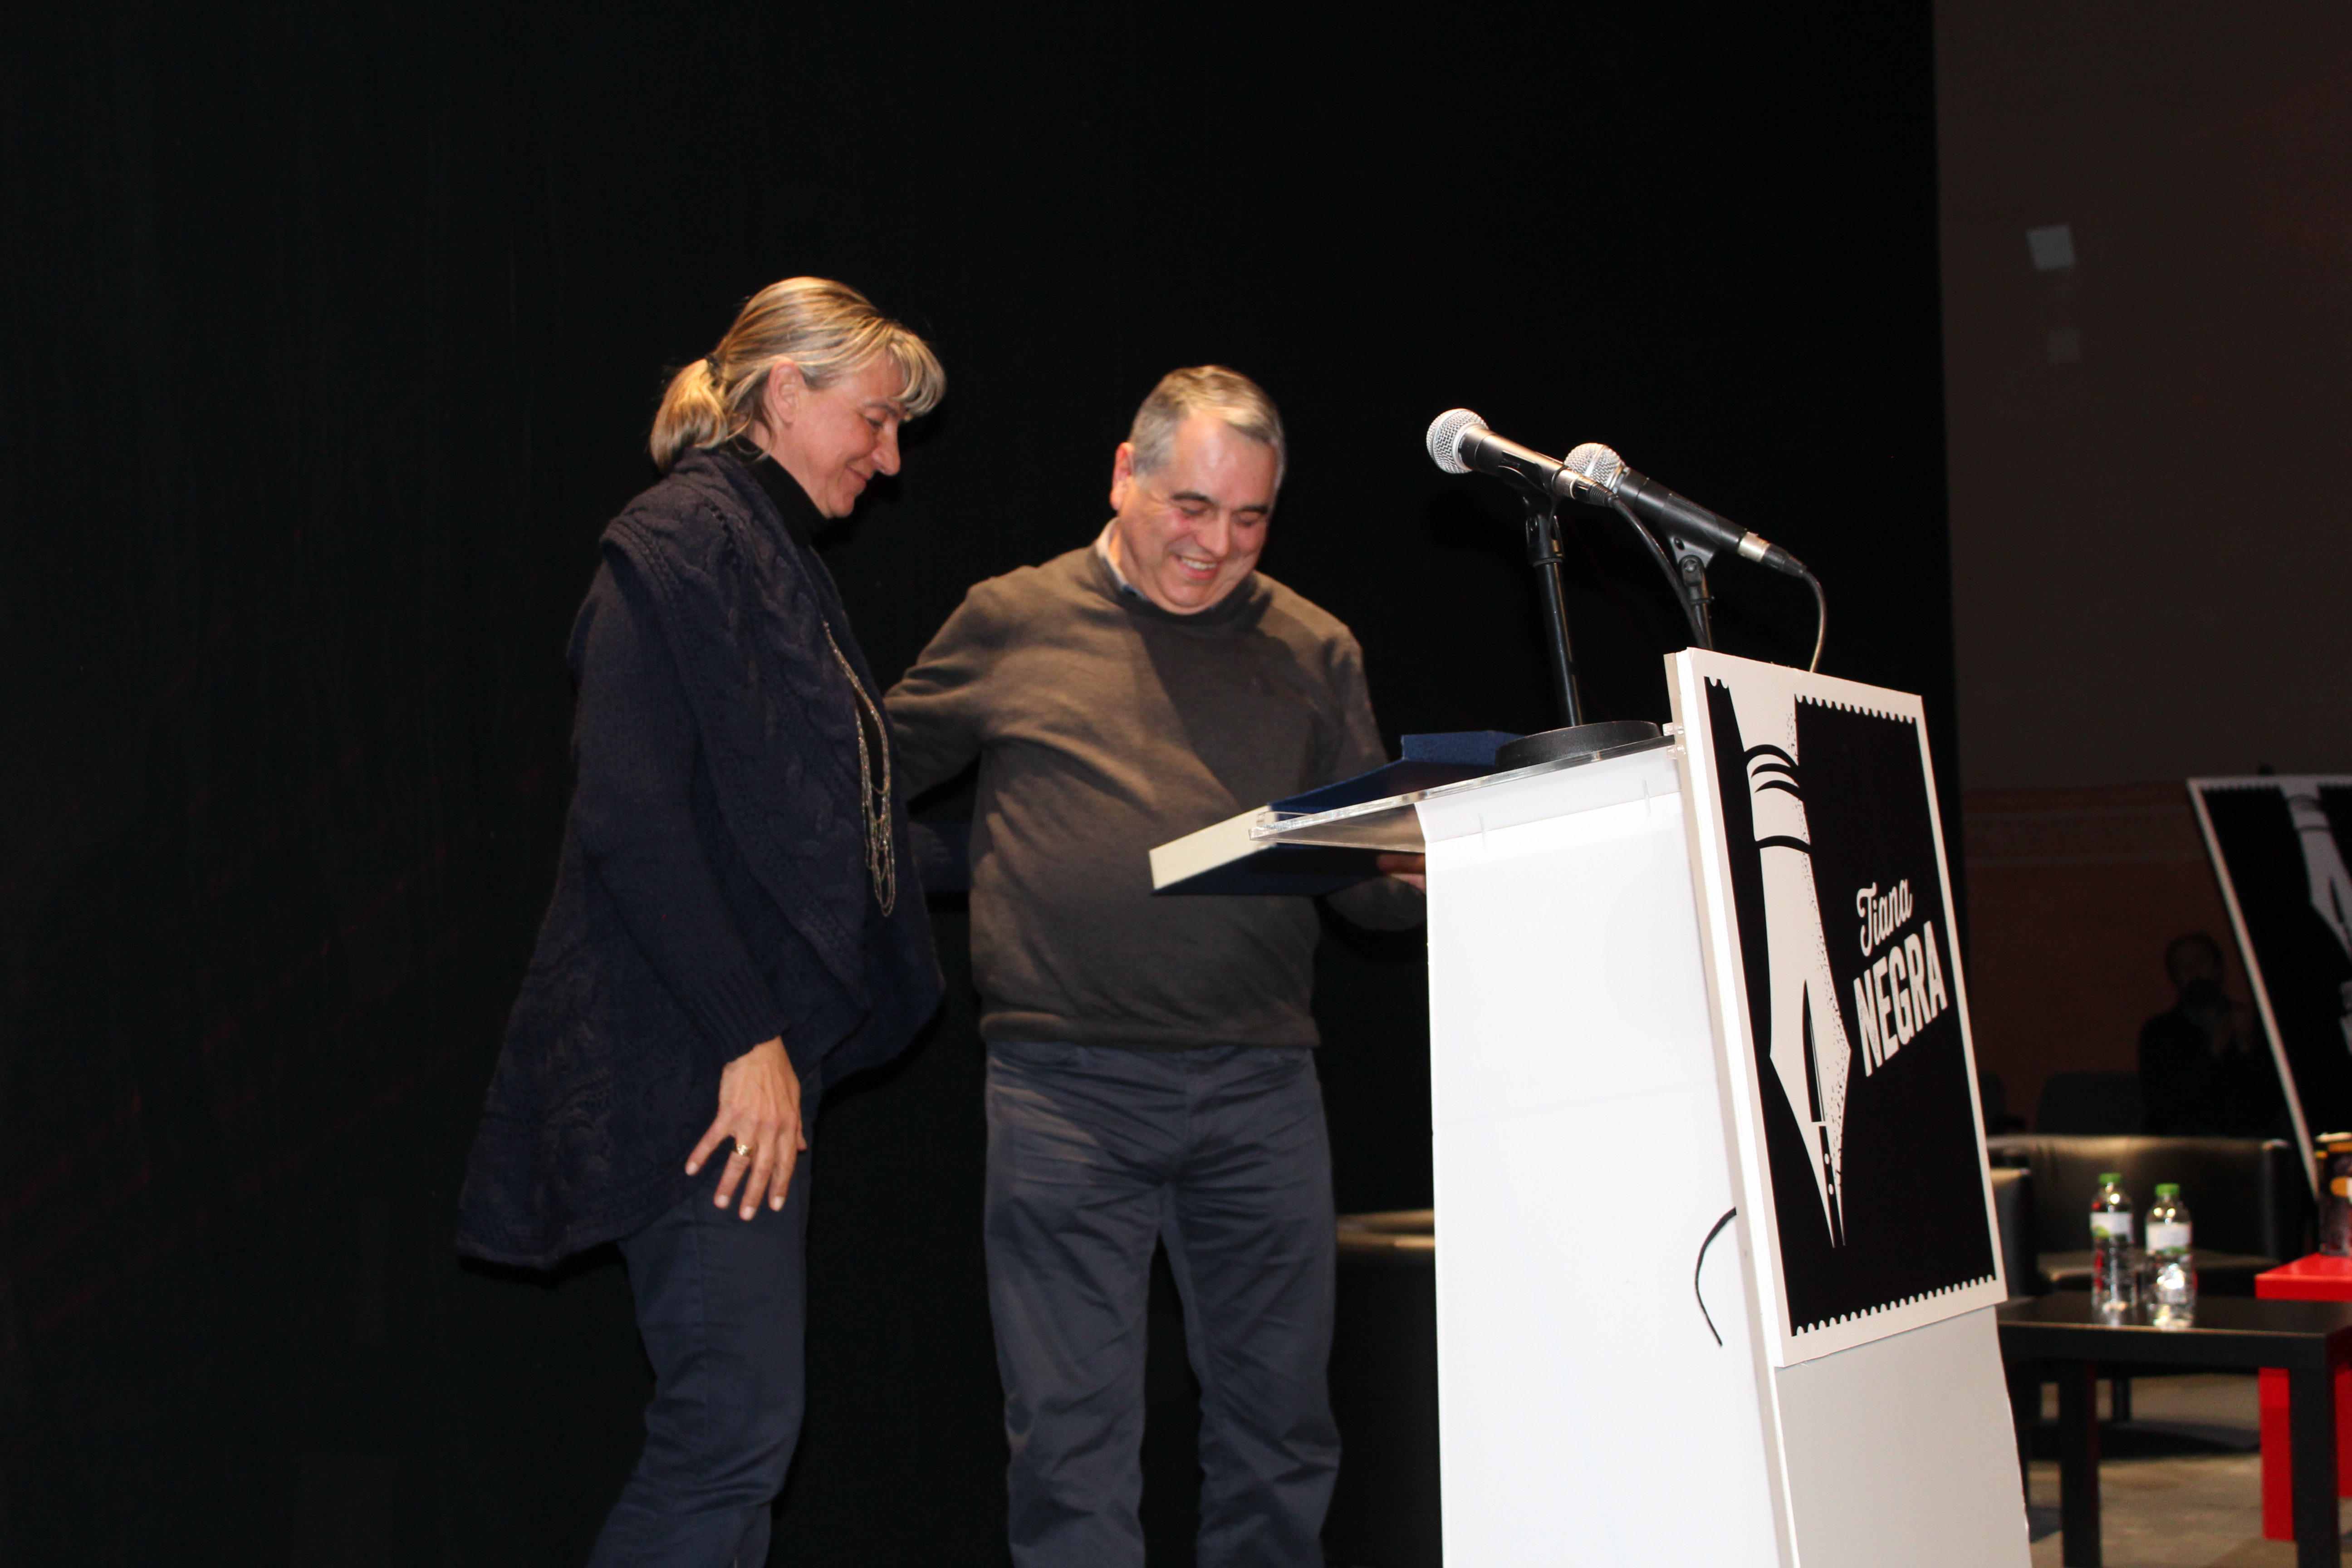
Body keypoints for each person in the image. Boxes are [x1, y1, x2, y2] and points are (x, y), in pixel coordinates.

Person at [886, 366, 1425, 1568]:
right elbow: (868, 782)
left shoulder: (1315, 647)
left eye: (1250, 519)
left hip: (1261, 1089)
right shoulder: (1014, 619)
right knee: (1070, 1450)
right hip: (1063, 1090)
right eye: (1192, 506)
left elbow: (1362, 886)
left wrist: (1429, 875)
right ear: (1125, 476)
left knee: (1280, 1438)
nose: (1215, 545)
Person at [456, 277, 945, 1566]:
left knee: (737, 1436)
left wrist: (1035, 857)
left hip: (726, 1066)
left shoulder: (766, 555)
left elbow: (819, 832)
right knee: (728, 1433)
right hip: (692, 1072)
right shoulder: (680, 543)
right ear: (785, 391)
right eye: (875, 420)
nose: (889, 458)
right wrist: (746, 1034)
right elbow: (629, 816)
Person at [2138, 931, 2286, 1136]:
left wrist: (2247, 1045)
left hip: (2250, 1139)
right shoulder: (2159, 1033)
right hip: (2191, 1142)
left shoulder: (2256, 1022)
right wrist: (2212, 1052)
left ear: (2219, 968)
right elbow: (2165, 1105)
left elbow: (2274, 1099)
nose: (2193, 972)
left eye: (2200, 962)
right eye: (2181, 967)